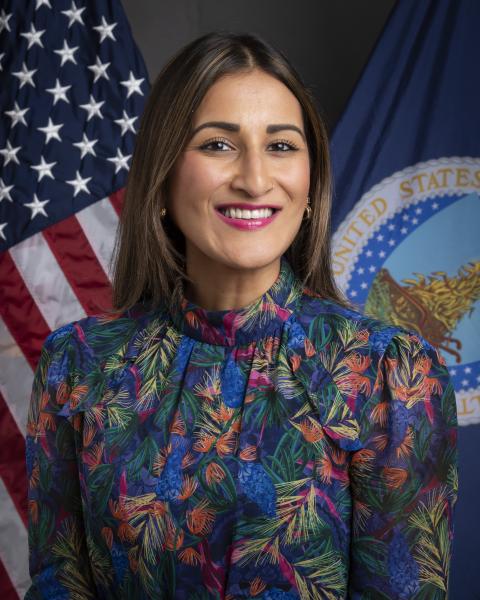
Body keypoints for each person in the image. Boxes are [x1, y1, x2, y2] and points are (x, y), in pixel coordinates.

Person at [25, 31, 458, 599]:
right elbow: (60, 584)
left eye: (281, 146)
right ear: (162, 178)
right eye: (217, 145)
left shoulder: (388, 376)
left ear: (309, 188)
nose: (255, 179)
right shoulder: (77, 365)